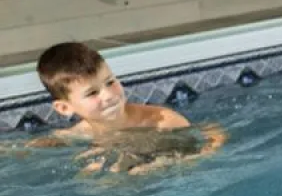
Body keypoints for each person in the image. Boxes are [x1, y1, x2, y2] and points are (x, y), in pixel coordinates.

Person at [34, 42, 225, 173]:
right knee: (91, 173)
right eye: (92, 93)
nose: (109, 95)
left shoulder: (161, 120)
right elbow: (51, 141)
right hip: (130, 167)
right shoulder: (81, 132)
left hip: (171, 166)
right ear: (64, 108)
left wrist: (171, 164)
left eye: (110, 82)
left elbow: (213, 133)